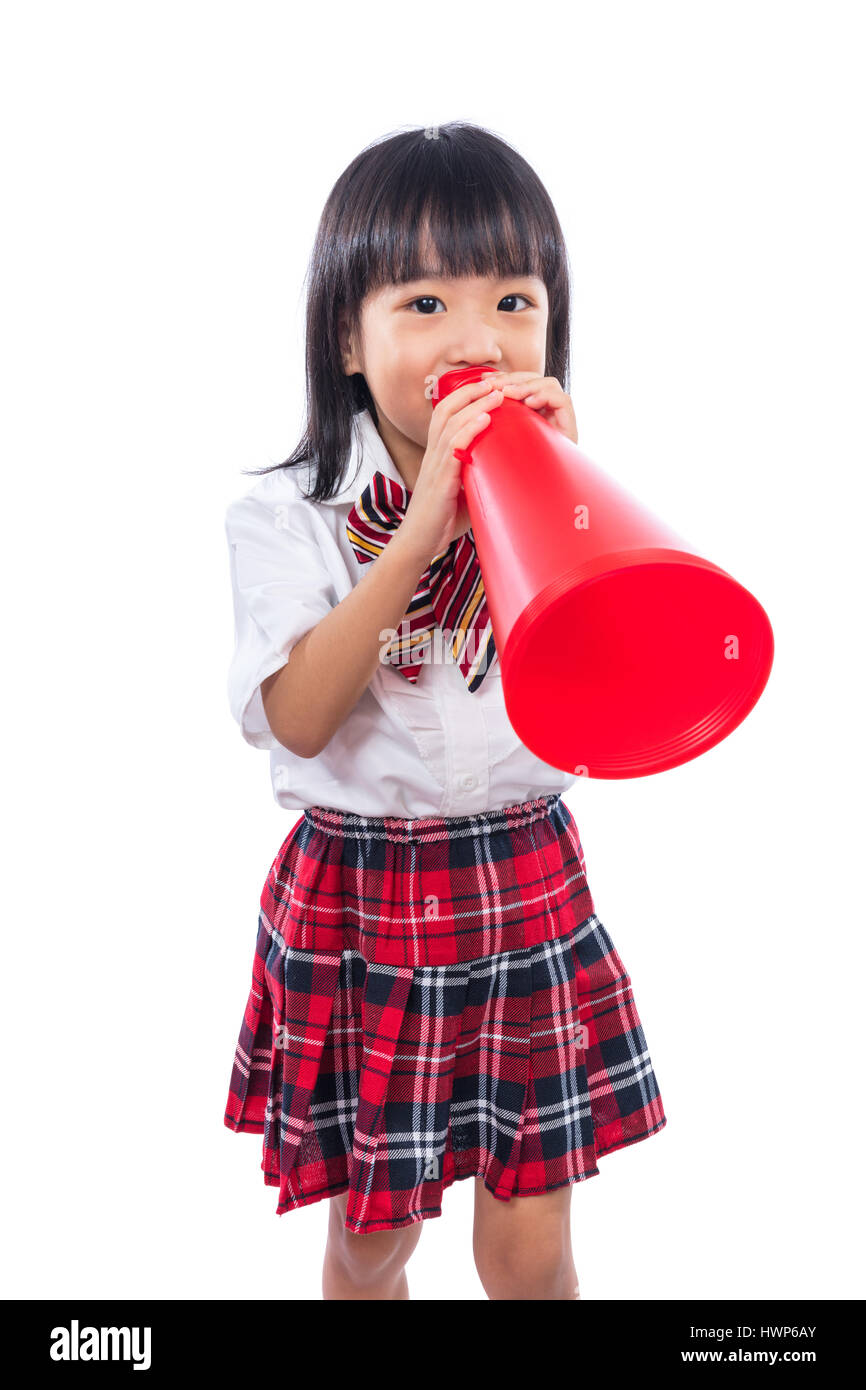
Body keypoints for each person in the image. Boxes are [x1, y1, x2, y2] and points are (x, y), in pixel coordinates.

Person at [222, 121, 667, 1301]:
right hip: (362, 900)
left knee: (530, 1249)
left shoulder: (573, 496)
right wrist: (424, 523)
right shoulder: (288, 515)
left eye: (512, 300)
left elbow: (618, 701)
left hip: (523, 879)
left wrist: (570, 520)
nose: (476, 338)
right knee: (372, 1242)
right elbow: (303, 716)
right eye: (423, 303)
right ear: (346, 340)